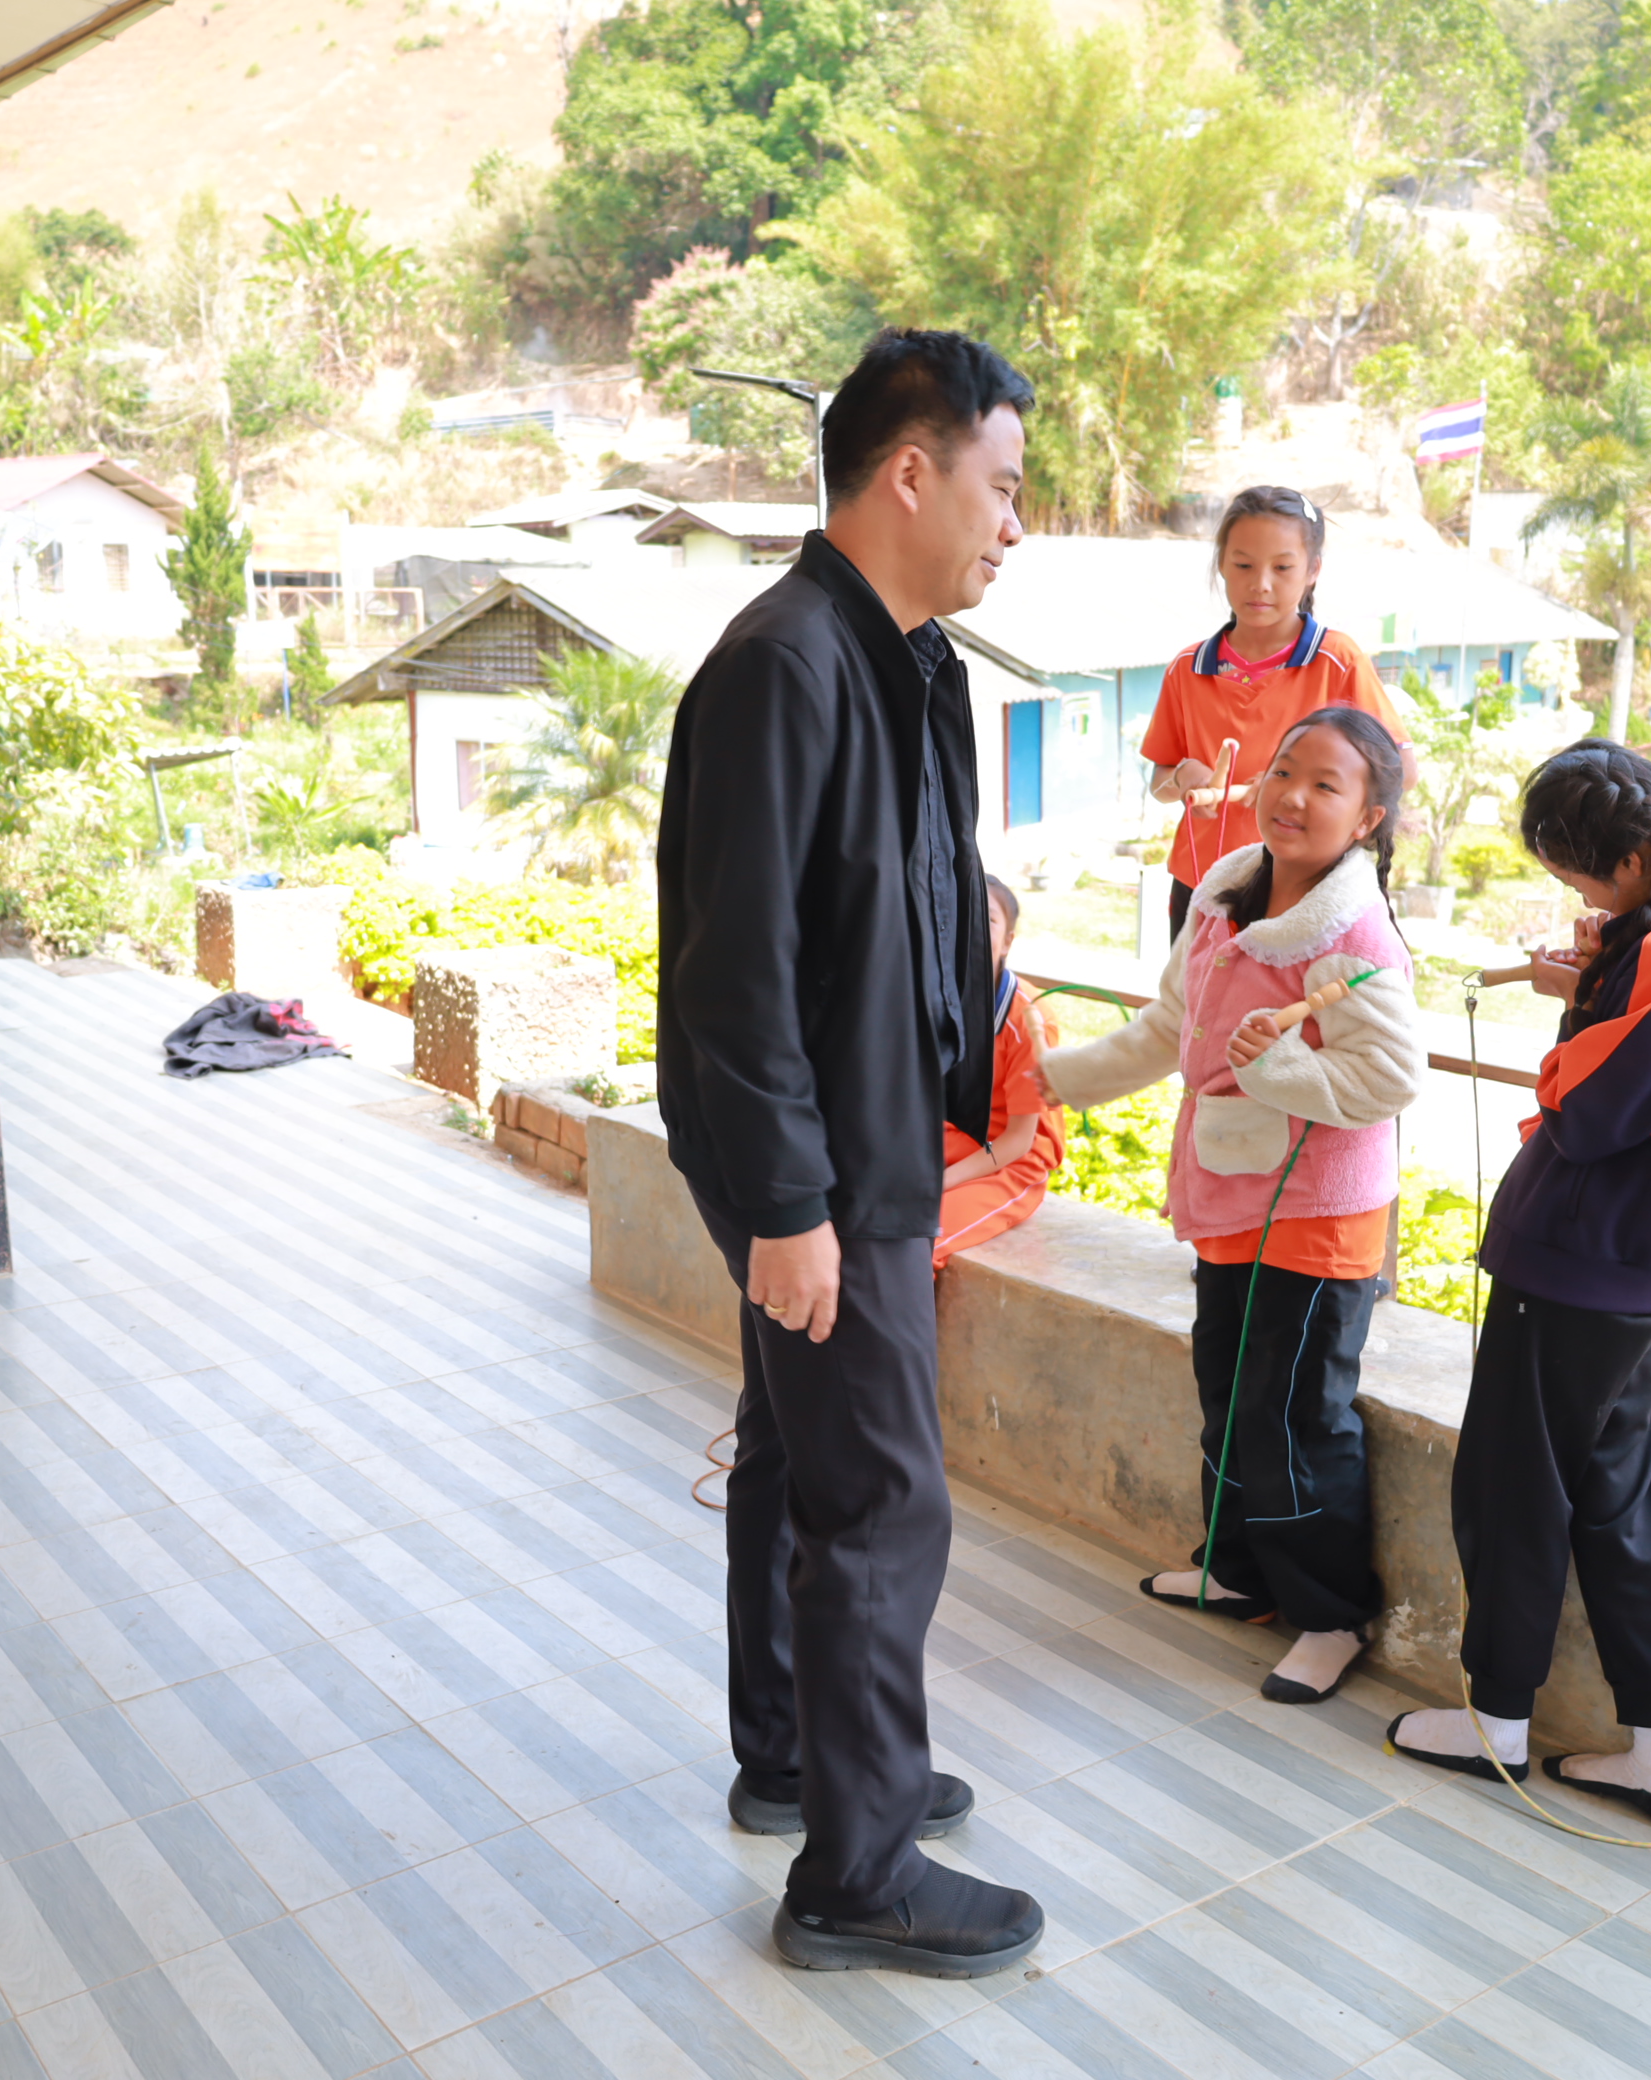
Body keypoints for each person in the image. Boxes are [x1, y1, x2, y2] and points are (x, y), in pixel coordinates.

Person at [655, 329, 1047, 1979]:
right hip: (826, 1161)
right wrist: (792, 1206)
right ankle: (858, 1869)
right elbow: (735, 968)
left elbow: (904, 908)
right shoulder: (788, 663)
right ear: (909, 472)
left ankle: (802, 1758)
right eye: (1001, 485)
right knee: (882, 1497)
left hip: (867, 1134)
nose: (1014, 523)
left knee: (805, 1461)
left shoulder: (902, 661)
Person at [1389, 737, 1651, 1833]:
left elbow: (1585, 1111)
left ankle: (1499, 1720)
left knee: (1512, 1485)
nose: (1580, 898)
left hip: (1587, 1260)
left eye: (1582, 877)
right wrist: (1608, 968)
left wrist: (1577, 1009)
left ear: (1632, 855)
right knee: (1617, 1488)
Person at [1038, 709, 1424, 1707]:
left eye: (1326, 785)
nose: (1292, 795)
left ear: (1368, 818)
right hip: (1232, 1192)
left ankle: (1331, 1616)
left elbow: (1391, 1077)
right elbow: (1173, 1024)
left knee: (1294, 1417)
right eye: (1284, 770)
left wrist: (1282, 1067)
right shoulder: (1224, 890)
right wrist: (1057, 1080)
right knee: (1228, 1390)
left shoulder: (1352, 935)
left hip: (1316, 1212)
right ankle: (1242, 1570)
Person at [1143, 487, 1415, 944]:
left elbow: (1402, 771)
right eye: (1243, 565)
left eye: (1283, 567)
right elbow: (1160, 782)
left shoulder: (1338, 660)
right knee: (1193, 992)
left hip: (1304, 890)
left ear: (1313, 570)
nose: (1261, 584)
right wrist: (1183, 777)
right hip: (1200, 885)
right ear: (1221, 564)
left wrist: (1297, 788)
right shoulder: (1186, 668)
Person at [934, 876, 1064, 1272]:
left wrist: (937, 1183)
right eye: (961, 915)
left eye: (986, 918)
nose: (971, 926)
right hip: (949, 1138)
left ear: (1007, 941)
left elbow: (1018, 1141)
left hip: (1009, 1159)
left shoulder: (1029, 1018)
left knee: (920, 1238)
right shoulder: (930, 996)